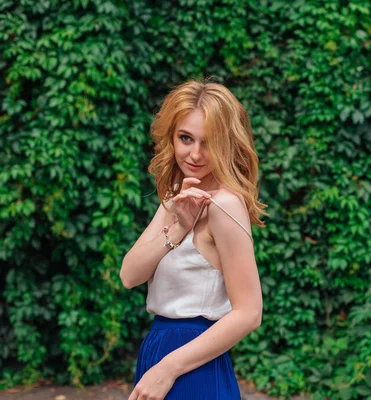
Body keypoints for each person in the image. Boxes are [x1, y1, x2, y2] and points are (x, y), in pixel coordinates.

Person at [120, 79, 267, 400]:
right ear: (171, 137)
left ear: (228, 143)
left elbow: (250, 312)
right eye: (185, 138)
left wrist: (167, 369)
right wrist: (177, 227)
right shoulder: (177, 197)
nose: (195, 154)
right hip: (159, 349)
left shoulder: (225, 204)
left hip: (190, 363)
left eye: (209, 142)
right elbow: (129, 275)